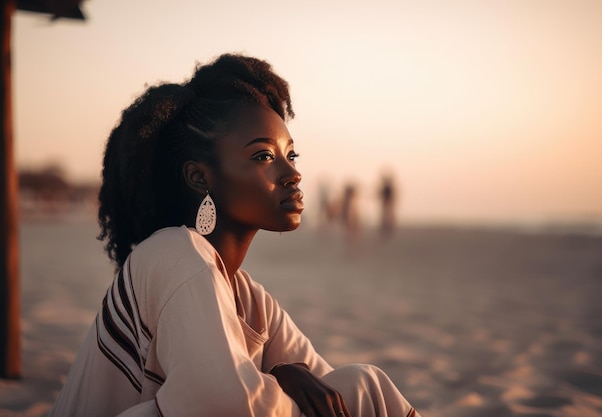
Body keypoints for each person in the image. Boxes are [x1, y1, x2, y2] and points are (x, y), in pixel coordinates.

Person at [48, 53, 418, 417]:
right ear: (199, 177)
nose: (293, 173)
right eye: (263, 156)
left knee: (363, 384)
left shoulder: (251, 300)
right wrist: (280, 375)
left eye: (292, 155)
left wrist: (284, 371)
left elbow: (330, 393)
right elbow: (223, 407)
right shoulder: (171, 255)